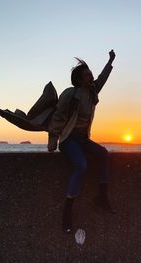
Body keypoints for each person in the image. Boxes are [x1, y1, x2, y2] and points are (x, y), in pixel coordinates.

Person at [47, 50, 116, 234]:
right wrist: (53, 138)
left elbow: (102, 78)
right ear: (78, 79)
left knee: (103, 153)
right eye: (87, 75)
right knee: (81, 166)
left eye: (91, 74)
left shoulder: (92, 92)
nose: (91, 77)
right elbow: (58, 117)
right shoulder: (70, 94)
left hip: (83, 139)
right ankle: (67, 211)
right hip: (69, 140)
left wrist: (110, 61)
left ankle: (102, 197)